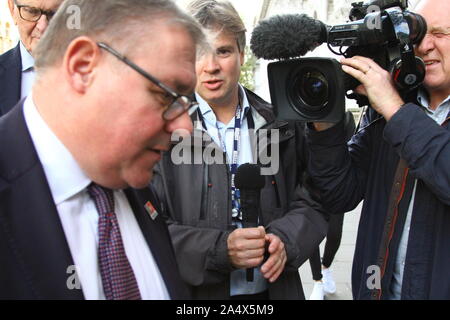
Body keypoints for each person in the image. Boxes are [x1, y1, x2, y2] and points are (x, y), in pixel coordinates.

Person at [0, 0, 204, 300]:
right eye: (164, 95)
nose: (184, 128)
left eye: (186, 103)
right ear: (83, 67)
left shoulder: (132, 174)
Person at [152, 0, 328, 300]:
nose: (211, 66)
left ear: (241, 54)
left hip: (275, 291)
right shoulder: (163, 130)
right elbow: (150, 228)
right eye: (198, 53)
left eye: (223, 50)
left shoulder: (281, 124)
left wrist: (287, 240)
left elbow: (315, 198)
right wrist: (219, 250)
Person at [305, 0, 450, 300]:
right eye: (417, 34)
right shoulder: (389, 107)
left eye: (441, 33)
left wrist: (394, 110)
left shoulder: (392, 107)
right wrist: (324, 123)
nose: (425, 46)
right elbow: (340, 193)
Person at [0, 0, 63, 116]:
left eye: (54, 14)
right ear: (12, 9)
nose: (43, 26)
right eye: (31, 12)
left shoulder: (92, 77)